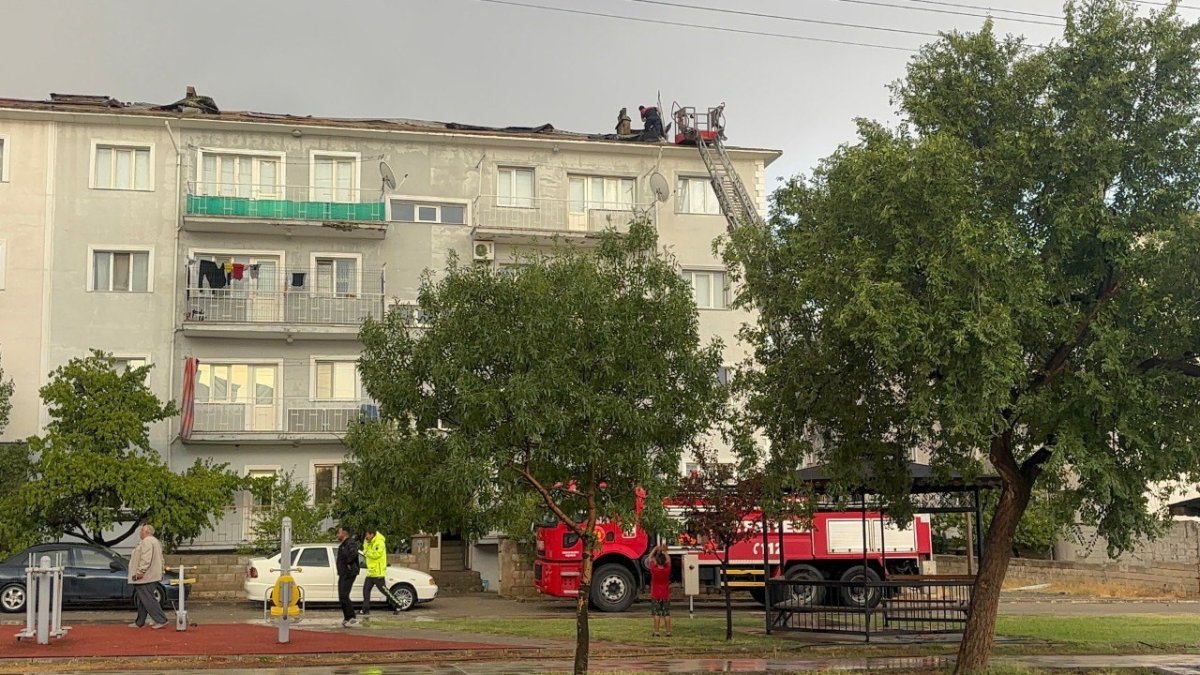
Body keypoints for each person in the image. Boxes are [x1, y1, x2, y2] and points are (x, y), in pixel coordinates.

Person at [128, 524, 169, 629]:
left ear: (146, 532)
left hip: (146, 576)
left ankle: (161, 619)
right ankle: (140, 622)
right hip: (152, 575)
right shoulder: (156, 541)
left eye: (141, 530)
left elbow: (146, 558)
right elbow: (160, 558)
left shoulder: (146, 542)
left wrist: (140, 571)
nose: (140, 532)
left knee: (147, 598)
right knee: (143, 599)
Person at [361, 528, 400, 615]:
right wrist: (366, 545)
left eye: (367, 535)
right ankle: (365, 609)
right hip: (371, 572)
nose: (366, 536)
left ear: (372, 534)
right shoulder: (368, 542)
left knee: (384, 590)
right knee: (366, 590)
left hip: (378, 572)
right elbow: (365, 549)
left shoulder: (380, 542)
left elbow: (376, 555)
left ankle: (398, 603)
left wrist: (366, 552)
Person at [336, 526, 360, 627]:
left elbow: (353, 554)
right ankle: (347, 618)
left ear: (344, 533)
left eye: (339, 533)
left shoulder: (350, 543)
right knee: (342, 596)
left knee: (344, 595)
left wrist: (348, 564)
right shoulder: (343, 544)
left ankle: (352, 618)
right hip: (343, 573)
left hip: (348, 573)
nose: (337, 535)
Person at [648, 543, 672, 637]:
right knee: (666, 614)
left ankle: (657, 631)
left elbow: (650, 558)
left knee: (656, 614)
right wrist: (664, 551)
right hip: (665, 595)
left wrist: (655, 549)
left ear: (656, 562)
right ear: (664, 562)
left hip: (655, 594)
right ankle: (668, 632)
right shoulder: (667, 569)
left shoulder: (654, 569)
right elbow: (669, 560)